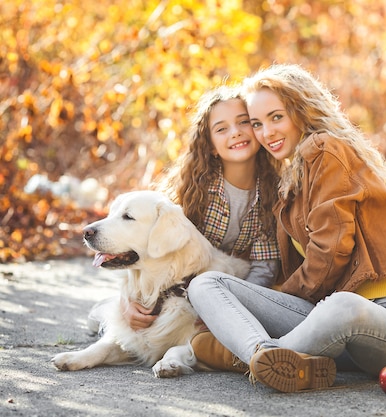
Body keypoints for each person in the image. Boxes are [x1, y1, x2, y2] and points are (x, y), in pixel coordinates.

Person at [188, 63, 386, 393]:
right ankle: (267, 355)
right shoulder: (290, 179)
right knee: (206, 284)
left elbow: (331, 252)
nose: (266, 132)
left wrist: (278, 300)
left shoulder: (327, 149)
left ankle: (248, 357)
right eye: (257, 123)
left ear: (301, 111)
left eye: (276, 117)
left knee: (343, 305)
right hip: (330, 331)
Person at [89, 85, 281, 373]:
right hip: (177, 292)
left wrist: (227, 307)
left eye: (244, 122)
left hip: (236, 287)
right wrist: (126, 302)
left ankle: (257, 355)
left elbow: (265, 268)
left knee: (211, 334)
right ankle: (108, 314)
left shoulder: (272, 193)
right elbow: (143, 249)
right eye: (222, 128)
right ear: (210, 145)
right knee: (103, 316)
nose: (236, 132)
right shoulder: (192, 189)